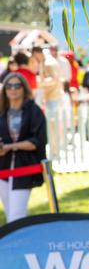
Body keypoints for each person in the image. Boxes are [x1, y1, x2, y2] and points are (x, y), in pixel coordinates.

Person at [0, 73, 46, 223]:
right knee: (10, 214)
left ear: (24, 89)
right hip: (3, 169)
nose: (13, 89)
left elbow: (36, 141)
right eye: (9, 86)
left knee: (16, 215)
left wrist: (10, 147)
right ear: (4, 90)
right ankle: (20, 244)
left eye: (17, 86)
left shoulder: (34, 111)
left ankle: (19, 244)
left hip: (24, 167)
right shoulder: (2, 113)